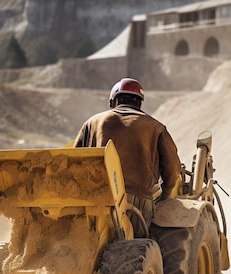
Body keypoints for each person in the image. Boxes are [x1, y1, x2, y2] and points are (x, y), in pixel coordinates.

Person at [73, 77, 181, 237]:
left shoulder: (92, 122)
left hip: (96, 196)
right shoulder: (156, 127)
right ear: (139, 103)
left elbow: (74, 160)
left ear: (113, 101)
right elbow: (172, 165)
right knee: (137, 246)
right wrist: (166, 193)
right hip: (138, 199)